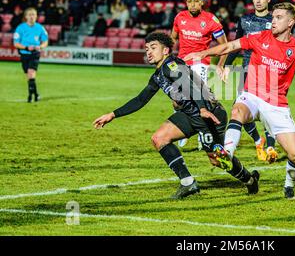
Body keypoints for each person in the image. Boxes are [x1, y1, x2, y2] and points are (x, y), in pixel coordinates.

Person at [93, 32, 259, 199]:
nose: (148, 52)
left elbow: (189, 84)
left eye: (153, 48)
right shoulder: (158, 75)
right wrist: (113, 114)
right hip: (189, 114)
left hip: (209, 113)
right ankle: (188, 183)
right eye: (146, 49)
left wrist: (202, 108)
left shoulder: (171, 64)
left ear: (165, 50)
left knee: (217, 160)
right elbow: (140, 99)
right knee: (159, 138)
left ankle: (249, 179)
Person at [184, 2, 295, 199]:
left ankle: (288, 185)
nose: (273, 21)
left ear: (291, 21)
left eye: (279, 17)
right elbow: (230, 46)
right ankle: (227, 153)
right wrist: (203, 53)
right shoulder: (259, 37)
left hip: (275, 103)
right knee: (237, 110)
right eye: (273, 16)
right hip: (252, 95)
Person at [219, 0, 278, 163]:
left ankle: (271, 147)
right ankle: (258, 141)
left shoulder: (275, 20)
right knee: (241, 112)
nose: (258, 1)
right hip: (246, 71)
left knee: (270, 112)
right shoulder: (244, 20)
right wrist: (227, 65)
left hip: (268, 71)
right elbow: (236, 45)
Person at [171, 0, 228, 148]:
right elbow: (172, 38)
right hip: (182, 62)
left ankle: (203, 135)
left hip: (200, 62)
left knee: (198, 99)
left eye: (196, 1)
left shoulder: (210, 20)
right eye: (189, 1)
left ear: (202, 2)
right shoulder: (179, 17)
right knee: (176, 101)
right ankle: (182, 127)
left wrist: (220, 64)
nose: (193, 4)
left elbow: (224, 45)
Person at [13, 7, 48, 102]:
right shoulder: (20, 28)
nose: (31, 17)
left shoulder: (40, 28)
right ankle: (36, 95)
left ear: (36, 16)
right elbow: (16, 43)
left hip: (35, 54)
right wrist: (26, 47)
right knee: (29, 76)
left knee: (31, 73)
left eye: (33, 15)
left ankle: (30, 97)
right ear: (26, 16)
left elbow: (45, 41)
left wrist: (40, 47)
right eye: (29, 15)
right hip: (24, 54)